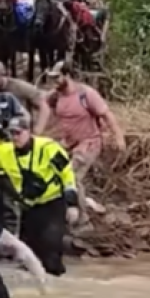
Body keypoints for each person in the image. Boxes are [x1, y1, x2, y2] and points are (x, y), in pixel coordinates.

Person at [0, 114, 79, 277]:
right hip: (28, 206)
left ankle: (56, 282)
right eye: (12, 133)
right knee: (27, 254)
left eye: (18, 133)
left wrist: (72, 204)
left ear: (29, 132)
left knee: (51, 247)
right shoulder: (3, 152)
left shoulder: (48, 148)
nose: (15, 137)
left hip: (52, 203)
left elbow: (67, 174)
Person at [44, 61, 124, 214]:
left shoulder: (86, 94)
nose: (54, 82)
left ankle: (82, 220)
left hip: (89, 142)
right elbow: (45, 108)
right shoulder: (55, 96)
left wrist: (118, 137)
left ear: (67, 76)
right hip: (68, 143)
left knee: (72, 177)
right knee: (50, 169)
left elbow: (107, 115)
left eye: (57, 77)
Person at [0, 60, 51, 134]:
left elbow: (44, 106)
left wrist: (38, 130)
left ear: (1, 75)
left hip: (22, 131)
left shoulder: (19, 87)